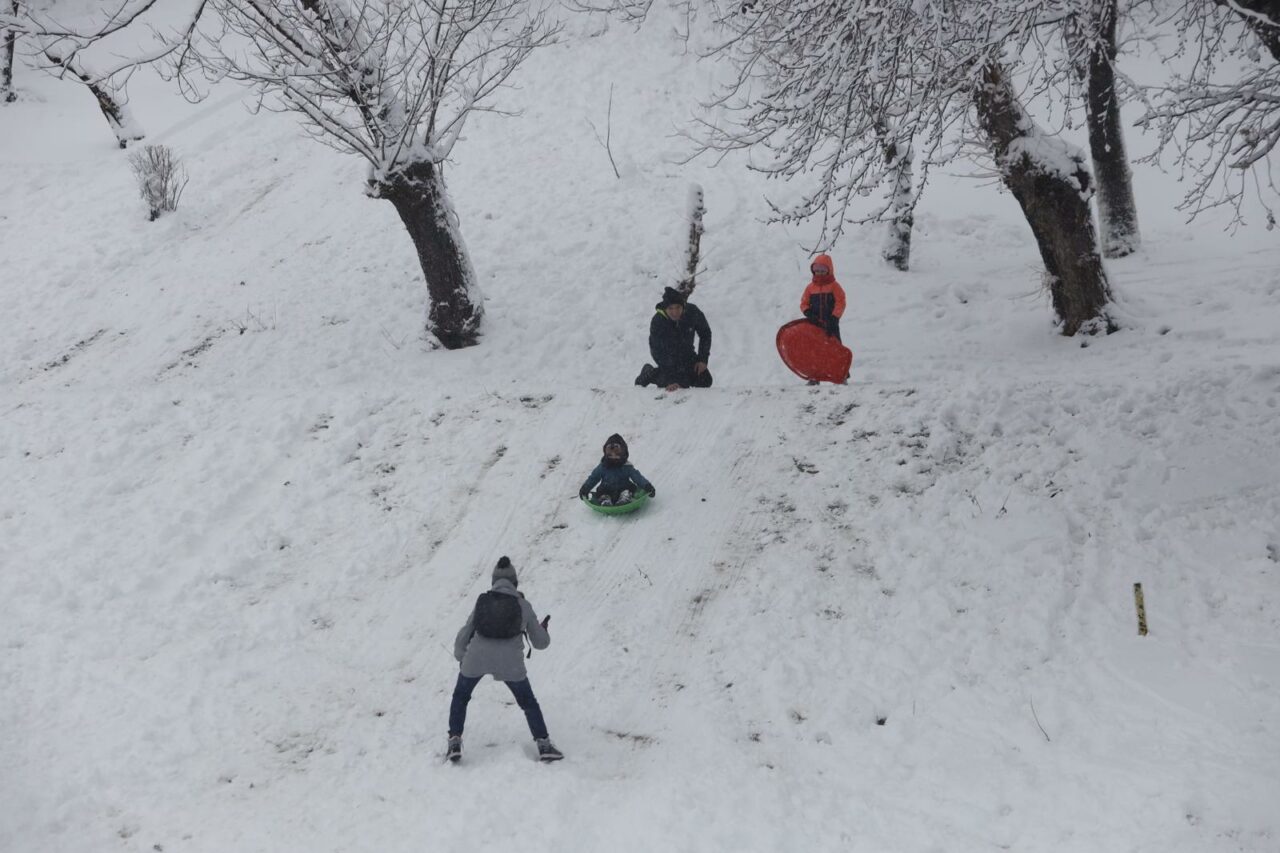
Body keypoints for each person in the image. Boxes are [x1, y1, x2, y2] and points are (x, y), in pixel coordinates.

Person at [448, 556, 563, 763]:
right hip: (511, 663)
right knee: (528, 702)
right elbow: (540, 643)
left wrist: (461, 658)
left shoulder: (482, 601)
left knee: (461, 696)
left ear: (493, 581)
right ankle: (544, 745)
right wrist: (543, 630)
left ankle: (454, 741)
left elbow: (465, 633)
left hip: (477, 657)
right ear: (515, 582)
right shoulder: (523, 605)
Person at [635, 287, 713, 390]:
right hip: (668, 360)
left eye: (677, 307)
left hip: (687, 356)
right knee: (675, 384)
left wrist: (703, 359)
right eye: (670, 308)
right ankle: (649, 372)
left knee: (705, 380)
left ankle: (679, 378)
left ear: (683, 306)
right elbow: (656, 350)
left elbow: (705, 333)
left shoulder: (693, 312)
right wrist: (670, 380)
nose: (675, 312)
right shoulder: (658, 321)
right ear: (665, 308)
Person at [579, 433, 655, 506]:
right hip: (606, 490)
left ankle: (624, 499)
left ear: (623, 453)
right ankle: (605, 501)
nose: (613, 456)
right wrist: (585, 489)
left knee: (627, 491)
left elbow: (637, 477)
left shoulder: (626, 467)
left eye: (616, 452)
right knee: (602, 493)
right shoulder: (603, 467)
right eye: (610, 454)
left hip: (624, 488)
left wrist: (647, 486)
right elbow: (593, 478)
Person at [800, 254, 846, 342]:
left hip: (831, 324)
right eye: (817, 270)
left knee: (834, 344)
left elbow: (841, 302)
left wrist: (834, 317)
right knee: (816, 346)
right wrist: (808, 313)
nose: (819, 273)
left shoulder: (834, 286)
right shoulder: (810, 288)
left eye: (823, 270)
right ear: (813, 271)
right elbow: (804, 303)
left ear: (829, 270)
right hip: (814, 324)